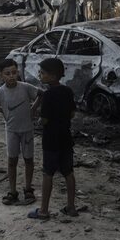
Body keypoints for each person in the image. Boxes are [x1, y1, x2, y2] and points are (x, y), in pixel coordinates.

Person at [0, 59, 42, 205]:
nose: (11, 76)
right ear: (1, 76)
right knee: (12, 161)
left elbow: (40, 94)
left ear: (18, 72)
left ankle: (28, 189)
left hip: (27, 130)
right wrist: (2, 111)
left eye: (14, 72)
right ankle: (12, 192)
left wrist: (33, 109)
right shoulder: (0, 91)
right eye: (7, 74)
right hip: (11, 131)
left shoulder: (25, 87)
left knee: (28, 160)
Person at [28, 58, 77, 220]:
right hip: (66, 137)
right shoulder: (68, 91)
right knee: (68, 172)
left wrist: (38, 119)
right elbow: (72, 114)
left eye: (42, 73)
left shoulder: (48, 94)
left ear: (53, 75)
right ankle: (71, 207)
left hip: (51, 139)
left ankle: (43, 210)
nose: (40, 75)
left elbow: (45, 120)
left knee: (48, 173)